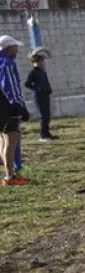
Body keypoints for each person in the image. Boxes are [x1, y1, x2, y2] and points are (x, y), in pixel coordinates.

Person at [0, 35, 30, 186]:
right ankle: (10, 176)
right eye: (15, 46)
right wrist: (20, 106)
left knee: (3, 140)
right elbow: (10, 86)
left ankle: (9, 173)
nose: (17, 49)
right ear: (8, 47)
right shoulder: (7, 63)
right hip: (8, 108)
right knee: (11, 142)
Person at [24, 50, 55, 141]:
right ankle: (43, 135)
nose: (42, 63)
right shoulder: (33, 72)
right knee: (43, 115)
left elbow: (46, 82)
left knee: (47, 115)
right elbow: (27, 83)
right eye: (40, 61)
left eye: (42, 61)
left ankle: (47, 133)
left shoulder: (42, 71)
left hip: (45, 95)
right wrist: (37, 89)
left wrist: (48, 89)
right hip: (38, 96)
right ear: (35, 62)